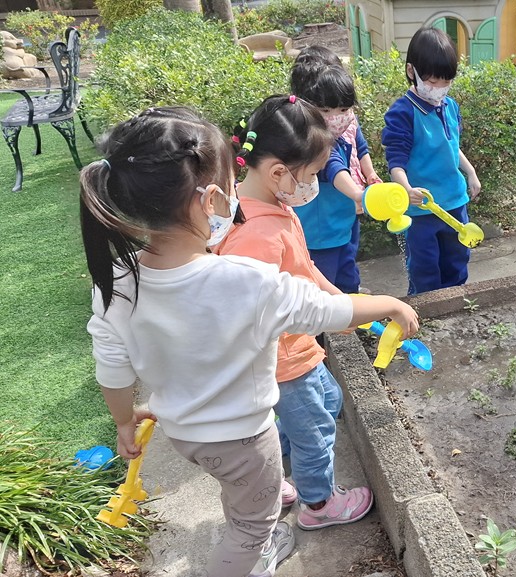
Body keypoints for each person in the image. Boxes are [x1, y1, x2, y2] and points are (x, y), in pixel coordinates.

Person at [80, 107, 419, 577]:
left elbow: (112, 367)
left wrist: (123, 421)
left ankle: (260, 496)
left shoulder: (115, 281)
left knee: (241, 488)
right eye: (230, 186)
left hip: (186, 433)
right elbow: (326, 311)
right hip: (242, 437)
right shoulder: (243, 280)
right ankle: (256, 556)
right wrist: (390, 305)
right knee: (249, 528)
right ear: (211, 199)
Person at [216, 93, 377, 531]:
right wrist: (334, 313)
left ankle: (281, 467)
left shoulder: (268, 204)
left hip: (297, 349)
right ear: (278, 172)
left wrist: (343, 304)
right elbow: (265, 311)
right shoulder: (258, 236)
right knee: (316, 432)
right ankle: (319, 504)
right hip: (285, 358)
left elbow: (303, 269)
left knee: (328, 402)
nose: (313, 184)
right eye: (312, 175)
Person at [381, 26, 482, 295]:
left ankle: (454, 304)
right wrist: (406, 189)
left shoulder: (450, 106)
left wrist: (470, 171)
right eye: (433, 81)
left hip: (455, 202)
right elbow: (396, 161)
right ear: (411, 71)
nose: (439, 89)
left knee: (457, 263)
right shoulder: (402, 112)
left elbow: (452, 146)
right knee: (424, 270)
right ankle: (425, 312)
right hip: (421, 209)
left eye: (446, 82)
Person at [290, 48, 383, 293]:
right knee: (323, 283)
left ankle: (351, 296)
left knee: (348, 267)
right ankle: (333, 310)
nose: (337, 117)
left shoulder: (346, 125)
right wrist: (358, 194)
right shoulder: (310, 140)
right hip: (321, 230)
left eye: (343, 110)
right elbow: (334, 167)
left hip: (344, 218)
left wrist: (370, 174)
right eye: (326, 111)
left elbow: (361, 148)